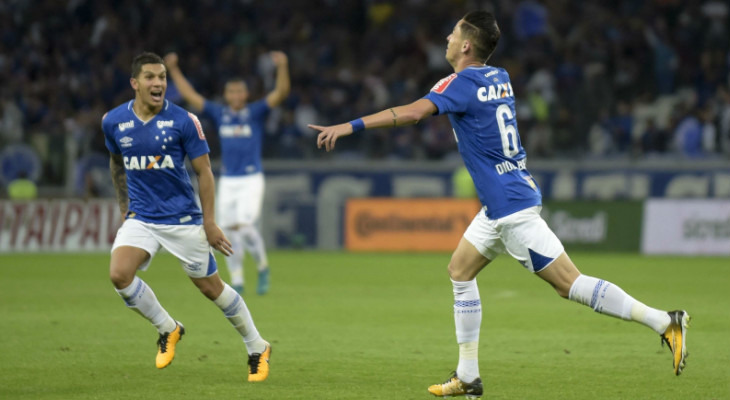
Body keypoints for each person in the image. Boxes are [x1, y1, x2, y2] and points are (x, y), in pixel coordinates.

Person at [309, 11, 689, 398]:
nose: (447, 37)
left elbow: (411, 114)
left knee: (569, 284)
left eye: (453, 33)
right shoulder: (499, 76)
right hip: (501, 204)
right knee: (459, 271)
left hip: (511, 210)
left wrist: (349, 126)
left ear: (466, 45)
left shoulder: (459, 84)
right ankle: (468, 376)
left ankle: (664, 321)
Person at [102, 52, 271, 382]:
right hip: (142, 217)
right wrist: (124, 207)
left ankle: (257, 345)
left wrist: (209, 223)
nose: (159, 83)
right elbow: (116, 163)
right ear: (135, 83)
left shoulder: (183, 121)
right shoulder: (113, 121)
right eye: (151, 77)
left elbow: (204, 172)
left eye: (163, 77)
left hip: (183, 219)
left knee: (211, 289)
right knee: (120, 275)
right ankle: (168, 327)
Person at [164, 51, 290, 295]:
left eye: (239, 92)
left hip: (252, 177)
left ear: (246, 94)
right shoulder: (220, 113)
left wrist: (283, 66)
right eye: (231, 92)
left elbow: (281, 93)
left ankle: (263, 267)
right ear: (226, 95)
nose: (235, 96)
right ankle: (239, 281)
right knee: (228, 230)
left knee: (244, 227)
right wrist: (174, 70)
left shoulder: (254, 112)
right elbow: (191, 96)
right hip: (229, 179)